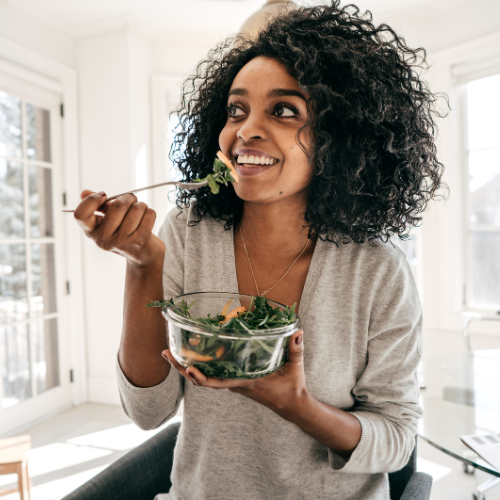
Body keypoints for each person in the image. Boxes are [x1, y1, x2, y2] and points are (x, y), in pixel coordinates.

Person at [74, 2, 445, 499]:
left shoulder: (377, 270)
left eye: (284, 110)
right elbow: (147, 413)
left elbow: (398, 441)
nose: (245, 129)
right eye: (236, 109)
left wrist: (297, 405)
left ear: (339, 138)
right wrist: (145, 263)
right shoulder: (189, 232)